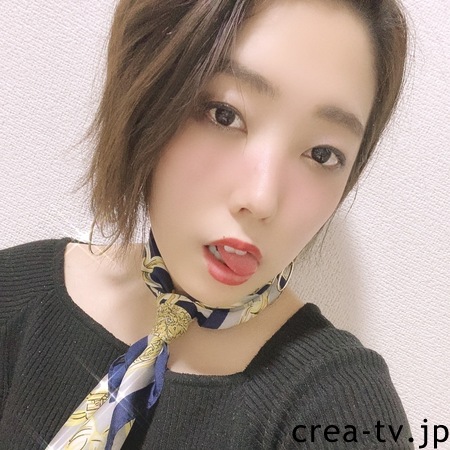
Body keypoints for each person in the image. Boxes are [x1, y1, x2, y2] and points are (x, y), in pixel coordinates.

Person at [0, 0, 413, 448]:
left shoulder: (345, 411)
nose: (261, 199)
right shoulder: (15, 295)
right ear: (147, 90)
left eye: (322, 154)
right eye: (224, 114)